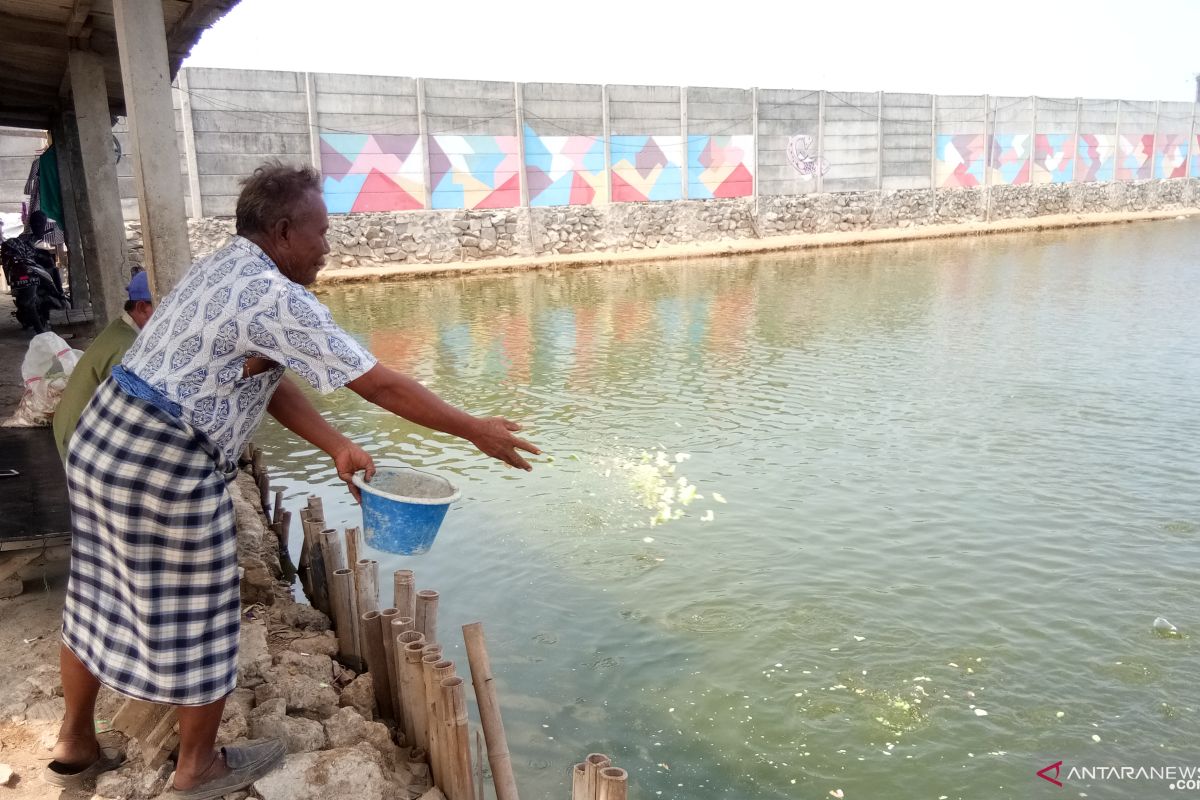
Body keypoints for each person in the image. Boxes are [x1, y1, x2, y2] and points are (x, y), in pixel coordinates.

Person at [48, 162, 540, 797]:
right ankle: (199, 768)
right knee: (204, 609)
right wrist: (474, 428)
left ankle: (75, 739)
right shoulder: (278, 299)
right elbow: (380, 383)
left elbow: (263, 378)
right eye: (322, 233)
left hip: (104, 440)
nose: (328, 248)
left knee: (97, 591)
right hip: (163, 463)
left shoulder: (224, 267)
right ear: (282, 231)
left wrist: (334, 443)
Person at [52, 271, 154, 460]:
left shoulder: (121, 329)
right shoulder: (127, 348)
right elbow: (134, 413)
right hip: (79, 440)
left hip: (74, 428)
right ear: (141, 308)